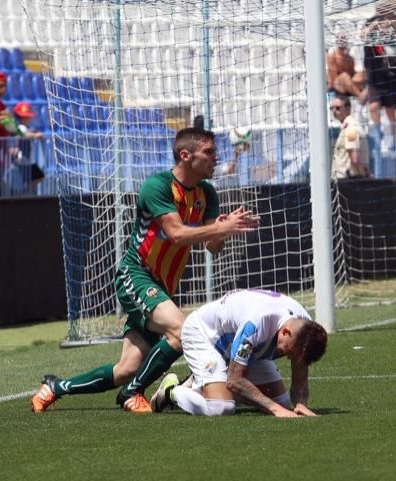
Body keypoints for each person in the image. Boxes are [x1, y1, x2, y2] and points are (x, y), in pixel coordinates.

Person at [30, 128, 261, 413]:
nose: (217, 158)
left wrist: (222, 231)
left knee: (125, 368)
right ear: (185, 155)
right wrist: (219, 227)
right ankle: (133, 393)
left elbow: (213, 246)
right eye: (210, 152)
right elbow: (175, 234)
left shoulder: (207, 193)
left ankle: (56, 387)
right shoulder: (158, 185)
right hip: (136, 275)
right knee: (183, 330)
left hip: (162, 286)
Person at [150, 289, 327, 417]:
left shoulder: (304, 328)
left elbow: (300, 379)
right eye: (290, 352)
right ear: (285, 332)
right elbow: (235, 380)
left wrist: (301, 405)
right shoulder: (255, 325)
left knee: (283, 402)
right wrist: (274, 410)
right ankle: (172, 391)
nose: (288, 358)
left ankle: (205, 382)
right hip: (204, 335)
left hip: (249, 348)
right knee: (222, 407)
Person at [361, 0, 396, 150]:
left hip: (390, 76)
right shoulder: (371, 22)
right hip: (374, 74)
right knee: (373, 107)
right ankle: (378, 139)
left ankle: (394, 141)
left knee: (391, 111)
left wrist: (391, 24)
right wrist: (378, 24)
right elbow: (363, 36)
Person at [330, 95, 370, 179]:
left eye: (338, 108)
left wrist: (364, 176)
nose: (334, 111)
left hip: (348, 180)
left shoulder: (350, 128)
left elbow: (354, 157)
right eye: (332, 108)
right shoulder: (347, 126)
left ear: (348, 108)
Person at [327, 32, 365, 99]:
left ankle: (364, 92)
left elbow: (353, 74)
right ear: (336, 41)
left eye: (343, 38)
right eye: (339, 39)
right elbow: (333, 78)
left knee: (363, 73)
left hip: (349, 84)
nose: (341, 40)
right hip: (337, 85)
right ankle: (360, 96)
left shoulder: (350, 58)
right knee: (344, 76)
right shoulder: (332, 56)